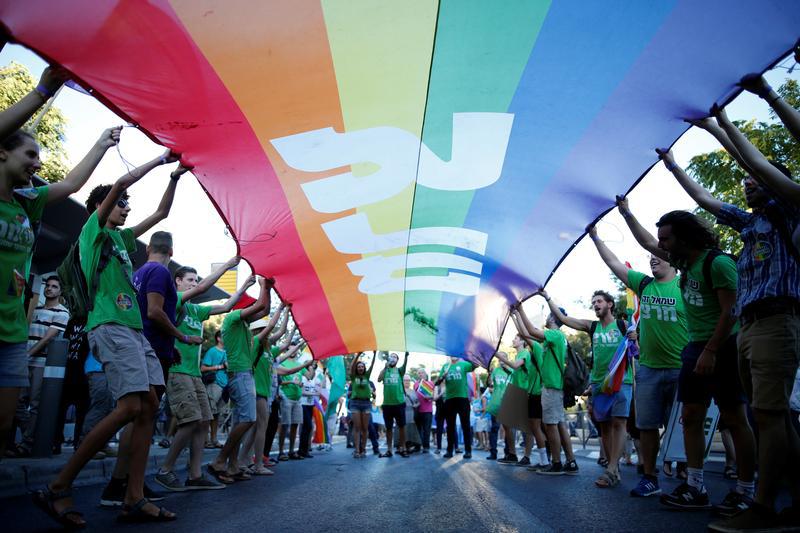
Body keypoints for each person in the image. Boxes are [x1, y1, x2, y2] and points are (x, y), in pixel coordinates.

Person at [658, 105, 799, 528]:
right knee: (770, 416)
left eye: (757, 180)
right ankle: (786, 500)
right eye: (745, 182)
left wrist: (718, 125)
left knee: (767, 415)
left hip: (777, 319)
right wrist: (672, 166)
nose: (747, 184)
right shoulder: (749, 226)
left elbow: (751, 160)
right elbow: (703, 199)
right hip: (752, 327)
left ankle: (760, 505)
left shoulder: (791, 213)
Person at [31, 146, 187, 525]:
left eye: (127, 205)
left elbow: (162, 214)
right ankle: (57, 487)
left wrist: (175, 177)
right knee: (130, 407)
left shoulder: (121, 241)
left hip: (134, 332)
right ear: (101, 207)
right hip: (109, 326)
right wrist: (160, 159)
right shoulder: (92, 231)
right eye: (120, 204)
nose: (126, 208)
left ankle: (133, 498)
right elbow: (119, 183)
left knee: (148, 406)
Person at [1, 66, 119, 466]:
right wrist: (43, 91)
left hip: (12, 330)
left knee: (3, 428)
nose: (37, 162)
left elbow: (70, 186)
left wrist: (103, 144)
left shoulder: (27, 202)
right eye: (30, 154)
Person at [619, 201, 757, 515]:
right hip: (694, 350)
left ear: (684, 237)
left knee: (735, 418)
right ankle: (695, 486)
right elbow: (645, 241)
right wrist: (626, 213)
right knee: (690, 419)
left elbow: (730, 310)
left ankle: (746, 491)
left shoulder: (718, 264)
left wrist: (710, 350)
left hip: (722, 347)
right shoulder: (686, 263)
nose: (660, 245)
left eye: (666, 239)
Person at [586, 223, 687, 497]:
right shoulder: (644, 285)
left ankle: (691, 480)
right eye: (651, 256)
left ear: (674, 261)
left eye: (659, 253)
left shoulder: (687, 284)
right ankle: (650, 477)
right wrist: (595, 236)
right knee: (647, 427)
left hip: (682, 369)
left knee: (685, 426)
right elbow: (613, 262)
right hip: (649, 372)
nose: (654, 257)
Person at [153, 259, 250, 491]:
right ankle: (164, 471)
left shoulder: (197, 310)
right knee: (190, 420)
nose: (194, 284)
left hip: (194, 374)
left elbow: (225, 307)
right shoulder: (174, 300)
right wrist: (229, 265)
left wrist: (245, 286)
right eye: (190, 280)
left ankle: (195, 475)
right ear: (177, 281)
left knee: (205, 420)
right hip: (177, 372)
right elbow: (202, 289)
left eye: (196, 280)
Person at [207, 277, 271, 483]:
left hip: (241, 375)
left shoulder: (242, 323)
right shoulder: (233, 318)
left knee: (239, 422)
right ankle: (219, 461)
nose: (254, 308)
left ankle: (233, 467)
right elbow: (261, 306)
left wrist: (267, 289)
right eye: (250, 305)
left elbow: (264, 309)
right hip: (240, 375)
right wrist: (263, 286)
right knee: (248, 420)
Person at [514, 304, 579, 476]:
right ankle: (570, 461)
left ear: (552, 318)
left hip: (552, 386)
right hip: (554, 386)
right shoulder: (554, 338)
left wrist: (520, 309)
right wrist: (515, 315)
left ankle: (556, 463)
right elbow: (527, 334)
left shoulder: (555, 335)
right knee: (559, 424)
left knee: (551, 426)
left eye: (549, 316)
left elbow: (531, 331)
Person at [242, 311, 311, 474]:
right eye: (265, 329)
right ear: (258, 331)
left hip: (264, 394)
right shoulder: (255, 345)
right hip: (257, 392)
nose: (269, 332)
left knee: (255, 429)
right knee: (260, 428)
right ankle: (258, 464)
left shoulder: (268, 351)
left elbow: (285, 343)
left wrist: (296, 332)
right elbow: (278, 331)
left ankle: (244, 462)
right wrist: (284, 309)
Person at [14, 275, 70, 456]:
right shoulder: (36, 309)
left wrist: (28, 355)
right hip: (24, 360)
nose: (49, 289)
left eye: (54, 287)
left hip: (41, 363)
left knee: (35, 403)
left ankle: (27, 443)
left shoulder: (62, 313)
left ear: (60, 291)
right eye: (48, 285)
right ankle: (28, 436)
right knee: (18, 402)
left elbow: (48, 338)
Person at [277, 337, 316, 461]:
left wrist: (311, 365)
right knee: (285, 425)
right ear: (287, 349)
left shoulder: (299, 365)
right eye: (291, 348)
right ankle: (281, 451)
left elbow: (310, 377)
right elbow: (277, 381)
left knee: (295, 425)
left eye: (296, 348)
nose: (294, 350)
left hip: (298, 399)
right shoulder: (282, 362)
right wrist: (291, 382)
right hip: (286, 398)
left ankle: (291, 451)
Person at [436, 356, 476, 459]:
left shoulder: (464, 364)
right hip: (450, 399)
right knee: (450, 426)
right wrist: (442, 377)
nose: (453, 355)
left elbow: (475, 365)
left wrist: (470, 354)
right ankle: (449, 450)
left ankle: (468, 451)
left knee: (465, 426)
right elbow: (437, 382)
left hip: (462, 398)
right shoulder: (445, 366)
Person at [378, 351, 409, 458]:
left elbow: (405, 365)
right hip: (387, 404)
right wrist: (385, 367)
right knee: (389, 428)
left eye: (395, 357)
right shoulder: (385, 370)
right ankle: (389, 449)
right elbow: (379, 379)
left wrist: (406, 356)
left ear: (397, 361)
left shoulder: (399, 371)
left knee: (401, 427)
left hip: (399, 403)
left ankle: (403, 447)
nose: (393, 358)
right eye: (391, 356)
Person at [201, 330, 227, 448]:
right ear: (218, 338)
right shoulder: (212, 351)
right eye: (224, 336)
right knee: (208, 412)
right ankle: (204, 440)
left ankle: (214, 439)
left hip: (225, 386)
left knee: (217, 414)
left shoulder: (228, 352)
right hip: (214, 384)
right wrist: (220, 366)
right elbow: (202, 368)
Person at [348, 352, 376, 458]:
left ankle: (363, 449)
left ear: (364, 368)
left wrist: (374, 354)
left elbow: (372, 365)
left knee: (365, 428)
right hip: (355, 403)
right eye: (359, 366)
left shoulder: (367, 376)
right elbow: (352, 366)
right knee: (357, 427)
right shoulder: (353, 377)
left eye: (362, 366)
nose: (360, 368)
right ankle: (357, 450)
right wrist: (358, 355)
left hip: (366, 403)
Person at [485, 357, 512, 461]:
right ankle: (493, 453)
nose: (501, 360)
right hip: (496, 403)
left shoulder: (512, 370)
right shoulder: (495, 370)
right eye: (499, 358)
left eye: (503, 357)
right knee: (494, 428)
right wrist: (489, 374)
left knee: (508, 430)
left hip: (508, 403)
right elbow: (489, 384)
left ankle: (508, 453)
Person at [413, 369, 434, 453]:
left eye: (422, 372)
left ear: (425, 374)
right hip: (417, 410)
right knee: (418, 429)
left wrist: (430, 397)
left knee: (426, 429)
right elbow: (415, 395)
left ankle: (426, 447)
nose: (420, 374)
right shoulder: (415, 384)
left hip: (427, 410)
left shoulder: (431, 383)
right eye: (419, 373)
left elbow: (433, 396)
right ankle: (417, 446)